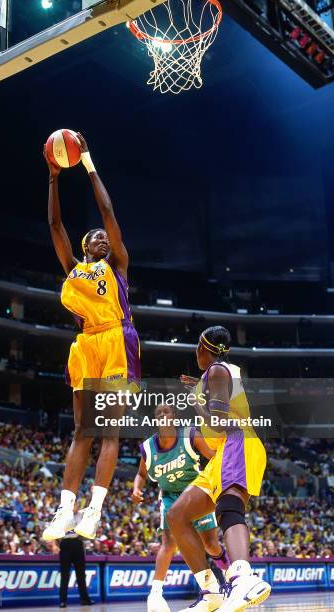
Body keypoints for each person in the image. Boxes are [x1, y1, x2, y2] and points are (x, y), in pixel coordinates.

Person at [43, 133, 140, 542]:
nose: (103, 237)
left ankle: (94, 511)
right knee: (82, 431)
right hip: (85, 344)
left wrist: (87, 163)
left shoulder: (117, 263)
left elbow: (107, 208)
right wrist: (53, 177)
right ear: (85, 248)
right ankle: (64, 510)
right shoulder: (73, 268)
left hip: (118, 339)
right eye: (95, 237)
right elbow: (54, 224)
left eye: (105, 236)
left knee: (109, 433)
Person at [166, 326, 271, 611]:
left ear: (202, 349)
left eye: (196, 347)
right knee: (177, 516)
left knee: (228, 506)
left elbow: (220, 422)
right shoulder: (215, 374)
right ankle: (212, 592)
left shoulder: (217, 372)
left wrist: (194, 403)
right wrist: (196, 392)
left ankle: (242, 577)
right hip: (222, 452)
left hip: (237, 439)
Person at [132, 403, 229, 612]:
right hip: (169, 498)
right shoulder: (148, 447)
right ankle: (155, 596)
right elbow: (141, 474)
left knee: (211, 545)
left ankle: (229, 575)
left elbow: (213, 457)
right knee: (168, 543)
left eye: (166, 411)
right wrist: (137, 488)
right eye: (157, 413)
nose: (162, 415)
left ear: (174, 417)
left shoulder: (190, 435)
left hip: (195, 493)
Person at [58, 524, 93, 608]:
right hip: (65, 542)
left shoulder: (80, 514)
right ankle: (63, 601)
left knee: (81, 574)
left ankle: (84, 599)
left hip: (77, 542)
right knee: (65, 574)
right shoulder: (61, 513)